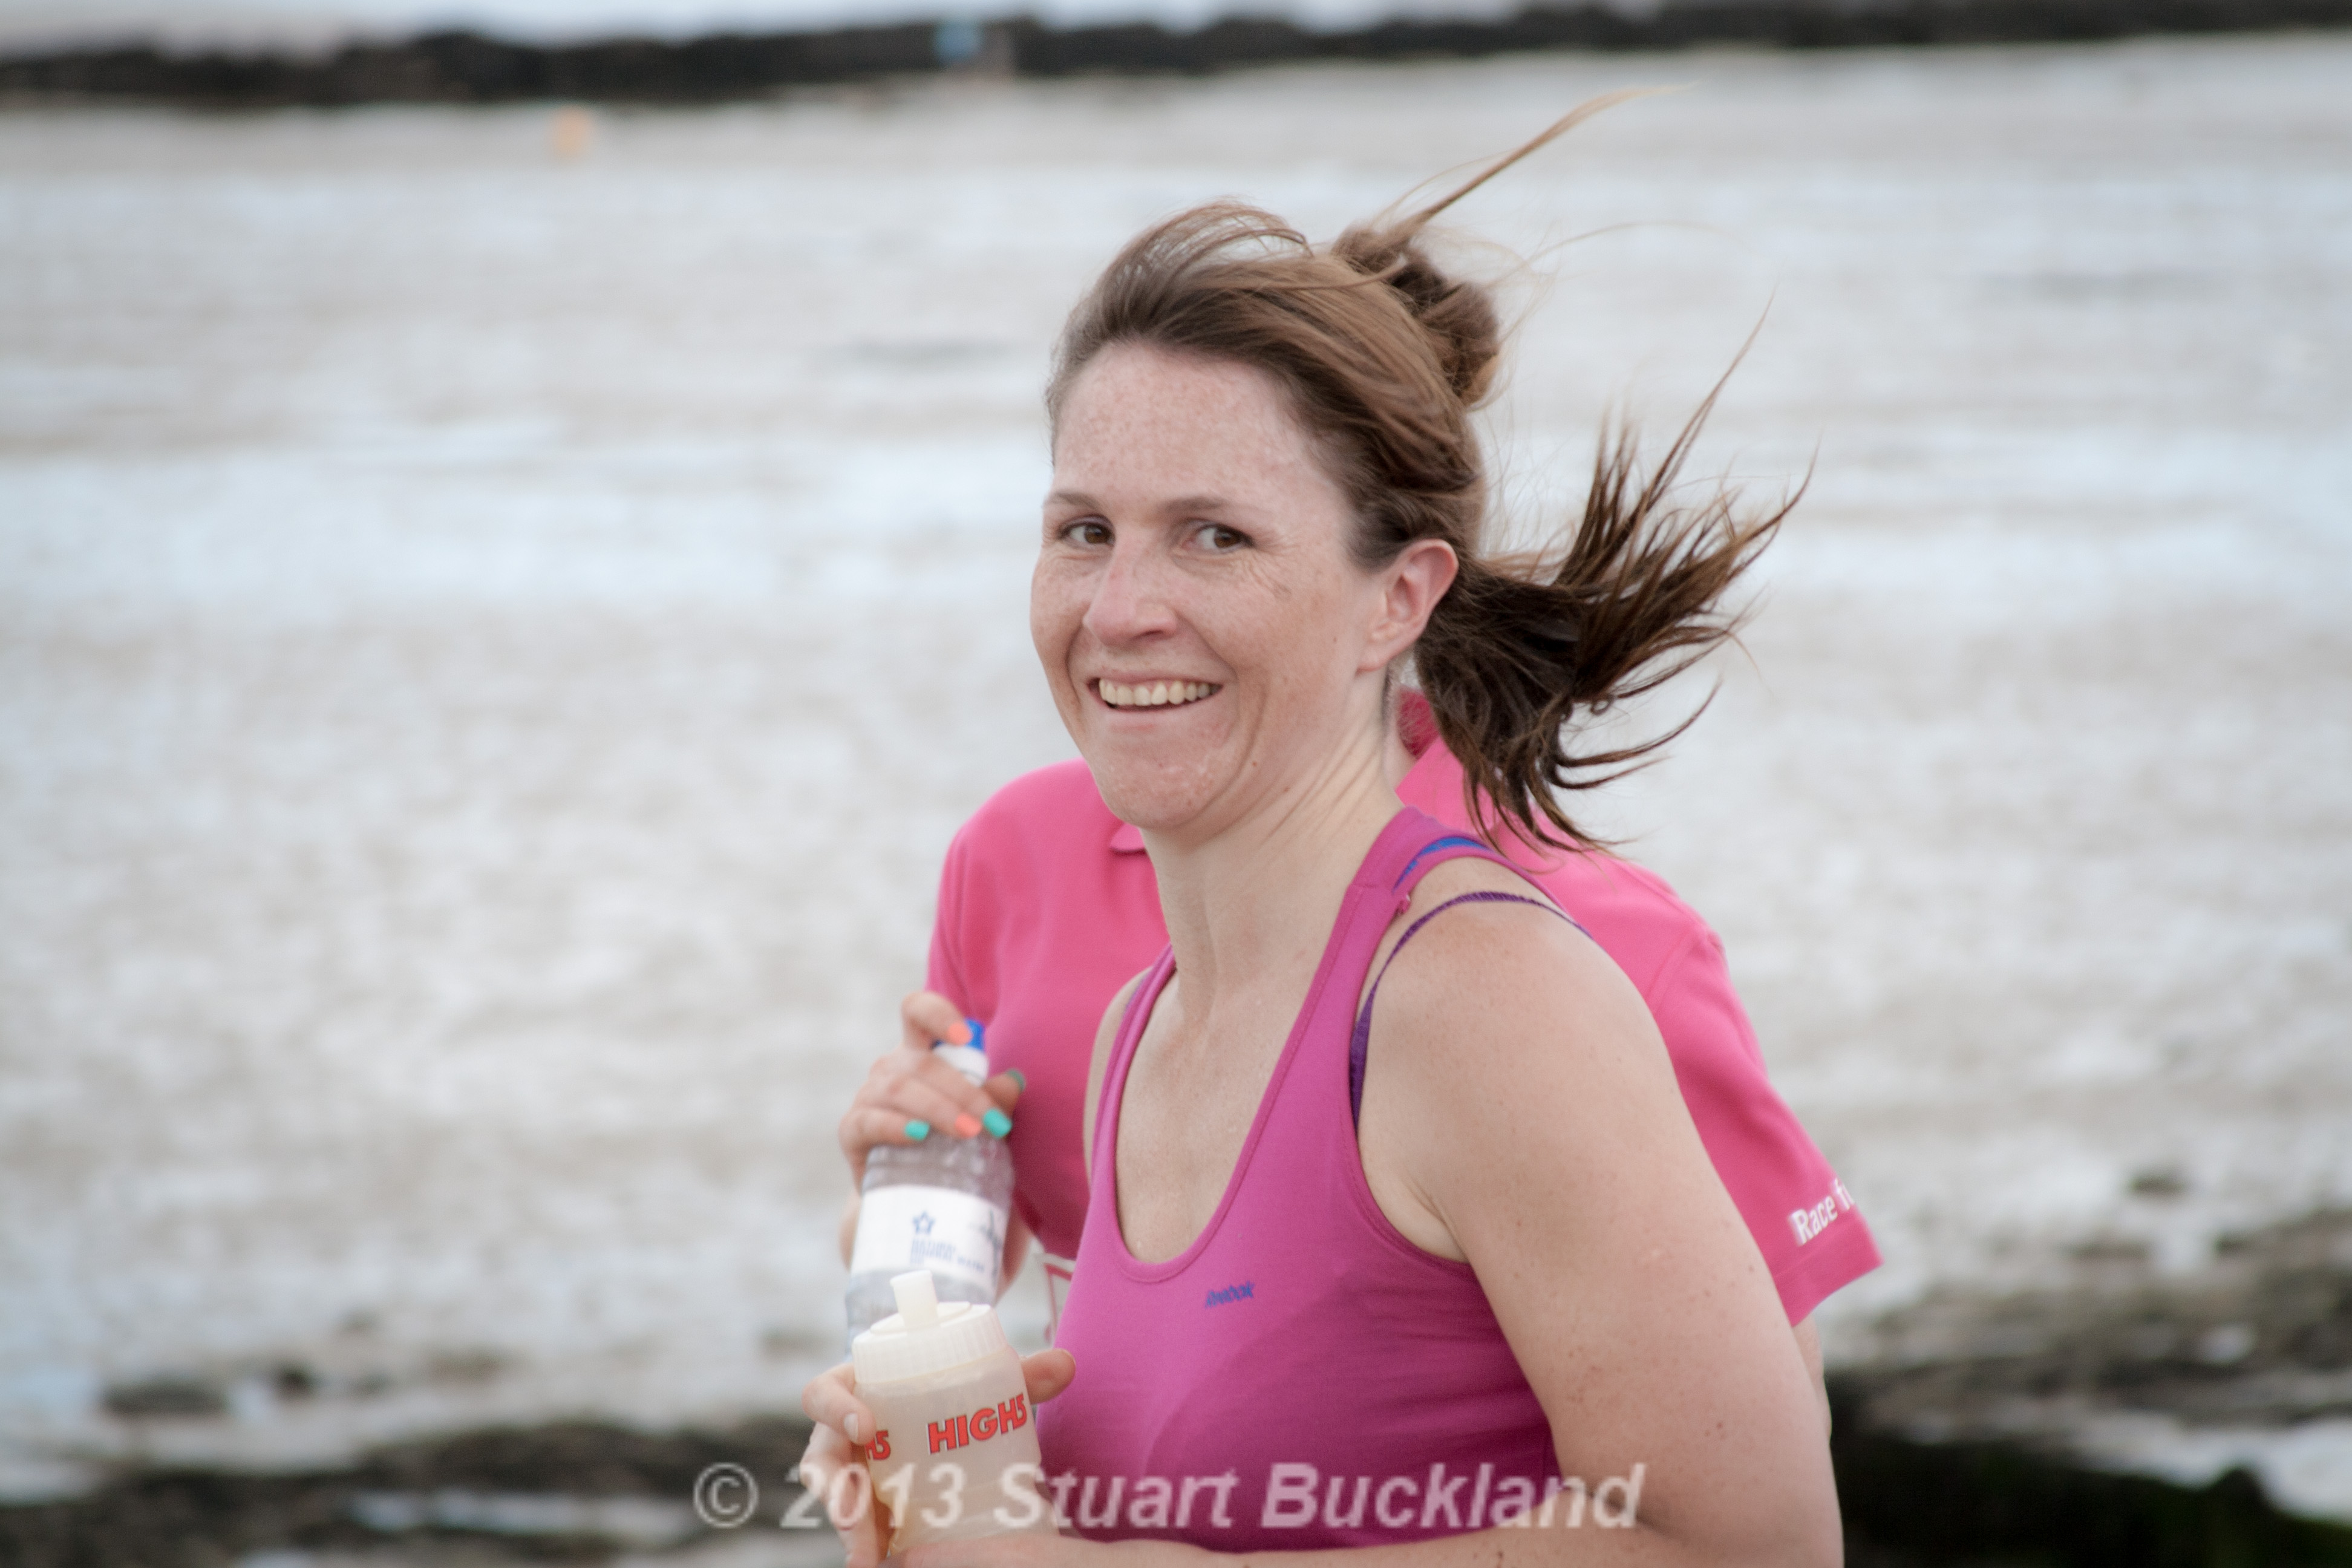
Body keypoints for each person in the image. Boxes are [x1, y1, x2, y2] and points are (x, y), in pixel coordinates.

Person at [808, 103, 1850, 1565]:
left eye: (1217, 535)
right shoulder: (1138, 1033)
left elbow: (1757, 1543)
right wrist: (950, 1492)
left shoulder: (1487, 998)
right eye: (1083, 530)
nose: (1120, 609)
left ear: (1399, 599)